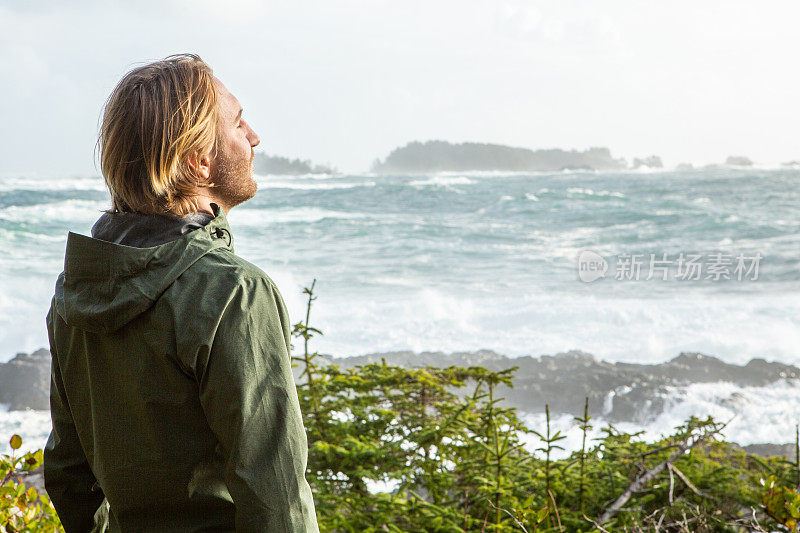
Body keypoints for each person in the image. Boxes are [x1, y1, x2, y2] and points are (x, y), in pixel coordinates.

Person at [43, 53, 319, 532]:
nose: (254, 136)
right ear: (198, 160)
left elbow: (69, 475)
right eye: (237, 123)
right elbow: (277, 498)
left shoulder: (78, 288)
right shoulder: (233, 293)